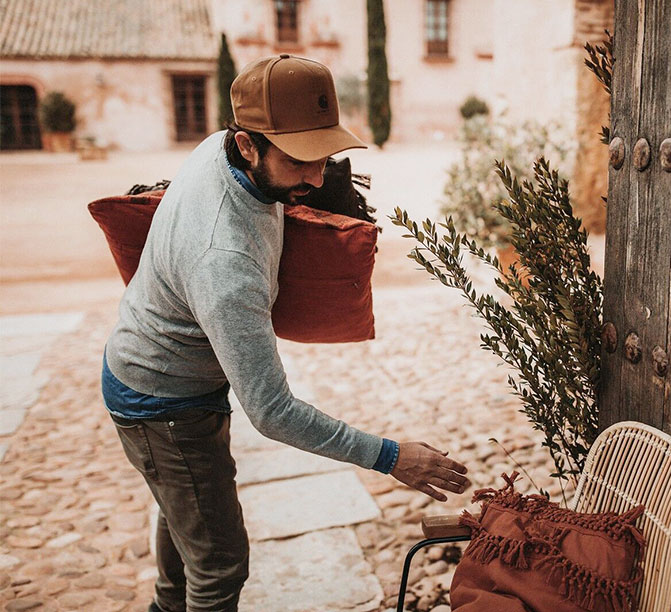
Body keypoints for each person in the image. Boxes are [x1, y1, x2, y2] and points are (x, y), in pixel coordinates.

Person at [101, 54, 471, 612]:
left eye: (325, 155)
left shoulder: (216, 149)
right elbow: (272, 412)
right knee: (220, 566)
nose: (318, 177)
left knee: (189, 526)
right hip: (164, 403)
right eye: (300, 160)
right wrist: (391, 457)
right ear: (246, 144)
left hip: (166, 382)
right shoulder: (225, 266)